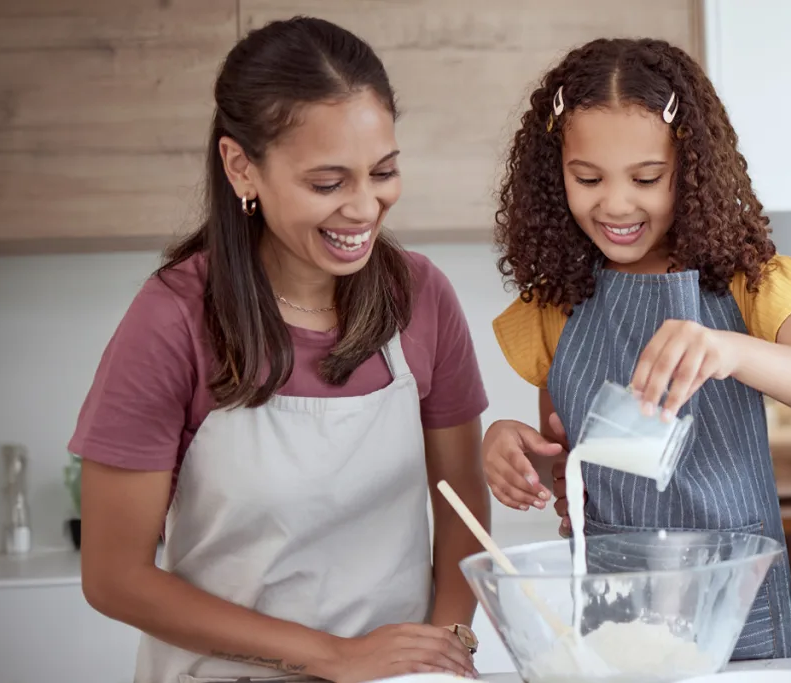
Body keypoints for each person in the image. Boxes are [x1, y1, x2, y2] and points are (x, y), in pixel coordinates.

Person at [69, 17, 489, 683]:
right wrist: (335, 656)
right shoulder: (174, 317)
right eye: (327, 183)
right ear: (242, 167)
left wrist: (447, 646)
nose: (363, 207)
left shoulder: (422, 297)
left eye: (382, 171)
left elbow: (463, 503)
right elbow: (113, 575)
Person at [481, 37, 791, 661]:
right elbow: (569, 471)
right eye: (587, 178)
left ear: (691, 171)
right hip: (614, 613)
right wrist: (512, 448)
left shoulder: (750, 283)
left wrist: (732, 350)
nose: (615, 203)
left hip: (735, 607)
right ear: (555, 175)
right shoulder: (554, 305)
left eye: (646, 178)